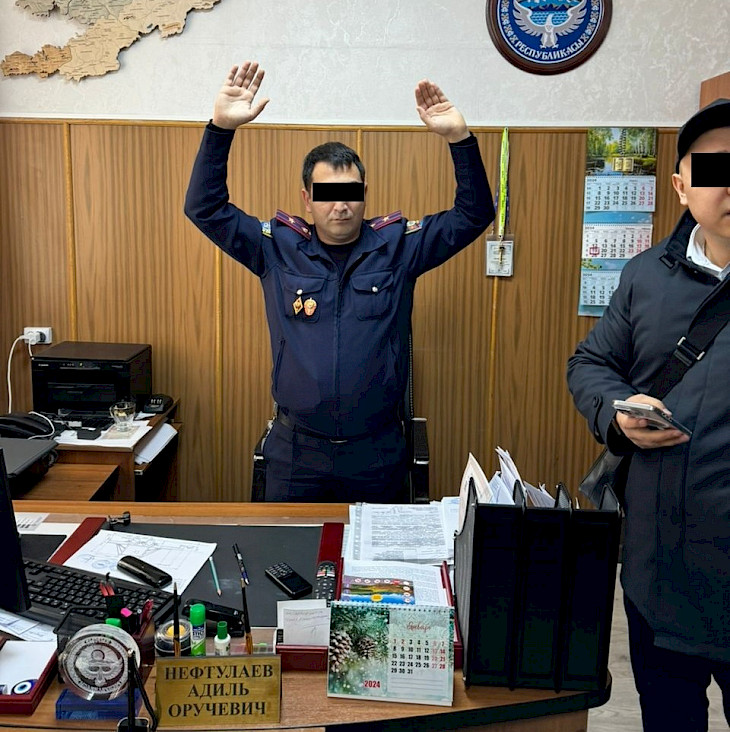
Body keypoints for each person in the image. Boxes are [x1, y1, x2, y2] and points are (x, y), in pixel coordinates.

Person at [185, 61, 494, 502]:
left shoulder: (399, 247)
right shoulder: (275, 248)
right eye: (327, 195)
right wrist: (220, 129)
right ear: (307, 200)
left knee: (378, 552)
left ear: (364, 195)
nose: (340, 207)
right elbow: (205, 208)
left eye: (350, 193)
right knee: (287, 547)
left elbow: (473, 215)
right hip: (297, 453)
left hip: (376, 453)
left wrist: (459, 139)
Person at [567, 98, 730, 732]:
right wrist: (617, 412)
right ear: (682, 185)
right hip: (660, 570)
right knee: (668, 720)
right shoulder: (645, 275)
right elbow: (591, 362)